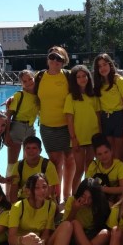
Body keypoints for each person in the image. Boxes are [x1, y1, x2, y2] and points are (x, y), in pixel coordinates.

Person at [34, 46, 74, 203]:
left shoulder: (68, 76)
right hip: (48, 127)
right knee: (56, 162)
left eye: (59, 58)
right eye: (52, 56)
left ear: (64, 62)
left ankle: (68, 195)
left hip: (68, 126)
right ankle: (56, 197)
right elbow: (29, 92)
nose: (55, 60)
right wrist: (13, 99)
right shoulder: (39, 76)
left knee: (70, 160)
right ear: (47, 58)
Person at [62, 177, 111, 245]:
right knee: (75, 223)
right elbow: (64, 225)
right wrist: (74, 210)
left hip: (91, 235)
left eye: (90, 198)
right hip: (74, 237)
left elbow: (104, 225)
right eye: (83, 196)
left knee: (105, 234)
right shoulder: (72, 201)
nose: (86, 201)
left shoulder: (99, 204)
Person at [64, 64, 101, 194]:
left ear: (88, 77)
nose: (82, 79)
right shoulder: (71, 97)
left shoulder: (93, 96)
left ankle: (88, 195)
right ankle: (75, 196)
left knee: (89, 169)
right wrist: (73, 138)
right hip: (79, 138)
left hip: (93, 137)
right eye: (78, 77)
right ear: (74, 80)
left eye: (84, 76)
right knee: (79, 170)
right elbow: (69, 120)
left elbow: (98, 116)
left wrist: (100, 134)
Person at [93, 53, 123, 162]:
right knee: (110, 154)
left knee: (121, 155)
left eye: (104, 64)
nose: (103, 68)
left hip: (119, 118)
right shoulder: (98, 84)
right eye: (99, 66)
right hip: (105, 119)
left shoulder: (119, 80)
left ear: (110, 64)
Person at [4, 70, 38, 193]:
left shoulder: (38, 96)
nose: (28, 82)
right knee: (12, 164)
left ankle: (24, 191)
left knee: (28, 162)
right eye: (24, 81)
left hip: (30, 128)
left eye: (30, 79)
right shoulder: (19, 95)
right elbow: (8, 116)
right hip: (17, 127)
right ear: (21, 83)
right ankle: (8, 193)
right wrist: (6, 135)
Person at [7, 136, 59, 203]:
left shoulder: (48, 165)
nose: (31, 151)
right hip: (24, 200)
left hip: (44, 201)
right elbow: (13, 192)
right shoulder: (19, 165)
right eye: (28, 148)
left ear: (40, 150)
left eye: (34, 148)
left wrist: (36, 206)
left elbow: (50, 192)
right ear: (24, 150)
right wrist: (15, 206)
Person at [86, 134, 123, 202]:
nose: (104, 156)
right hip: (97, 197)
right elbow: (86, 183)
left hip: (114, 197)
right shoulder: (94, 165)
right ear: (96, 155)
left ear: (111, 151)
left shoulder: (119, 165)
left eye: (106, 152)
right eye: (100, 154)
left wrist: (102, 189)